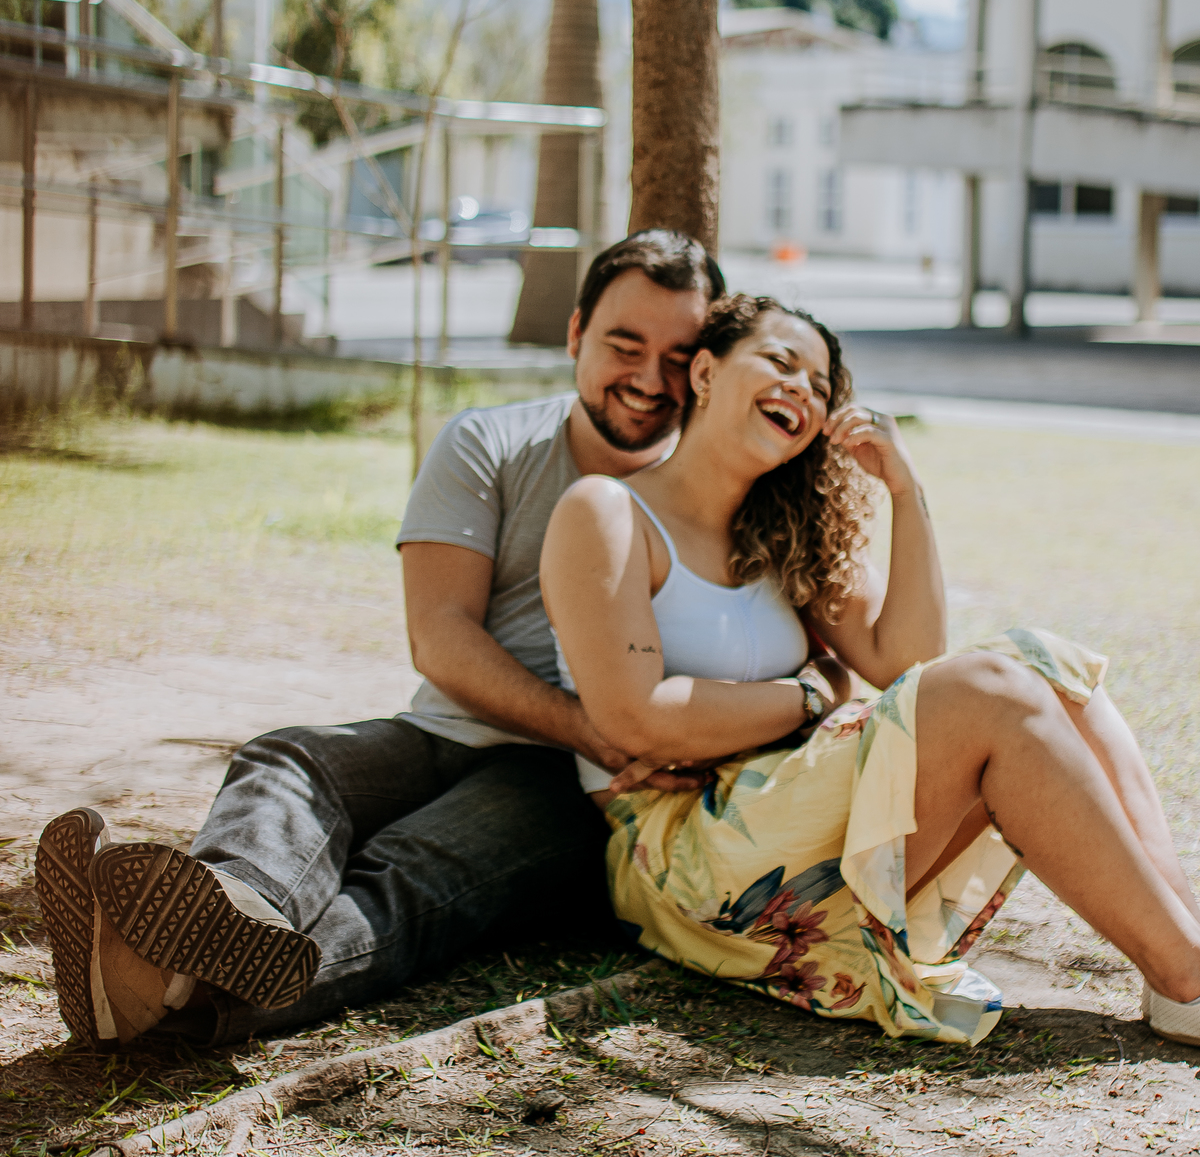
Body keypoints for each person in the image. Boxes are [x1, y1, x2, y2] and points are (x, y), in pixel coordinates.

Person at [35, 230, 739, 1052]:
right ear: (577, 333)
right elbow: (439, 638)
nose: (649, 381)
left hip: (566, 782)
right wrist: (594, 725)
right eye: (626, 346)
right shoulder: (492, 443)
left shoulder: (707, 486)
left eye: (677, 356)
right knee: (290, 758)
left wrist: (612, 741)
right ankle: (231, 907)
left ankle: (173, 984)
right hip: (450, 730)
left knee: (412, 873)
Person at [540, 292, 1200, 1048]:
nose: (801, 390)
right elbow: (638, 717)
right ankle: (1189, 976)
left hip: (793, 801)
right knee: (992, 687)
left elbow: (913, 666)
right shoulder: (608, 511)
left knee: (1044, 664)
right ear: (705, 372)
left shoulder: (784, 531)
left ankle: (1183, 968)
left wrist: (905, 492)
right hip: (683, 852)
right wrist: (813, 693)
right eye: (780, 362)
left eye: (819, 387)